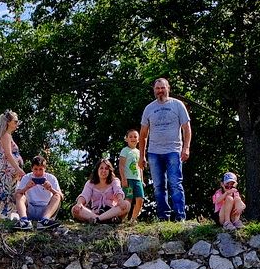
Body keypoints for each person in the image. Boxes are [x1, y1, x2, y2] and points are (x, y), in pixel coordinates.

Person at [138, 78, 192, 221]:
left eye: (162, 88)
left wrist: (186, 148)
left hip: (173, 150)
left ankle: (180, 217)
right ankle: (163, 217)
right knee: (158, 186)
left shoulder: (177, 105)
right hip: (154, 152)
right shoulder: (149, 108)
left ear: (168, 88)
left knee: (175, 184)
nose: (160, 91)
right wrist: (141, 156)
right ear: (154, 90)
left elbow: (186, 128)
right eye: (157, 88)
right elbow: (143, 135)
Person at [0, 111, 24, 221]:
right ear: (8, 122)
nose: (17, 124)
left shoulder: (8, 136)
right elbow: (8, 154)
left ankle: (8, 217)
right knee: (3, 194)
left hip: (10, 173)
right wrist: (18, 169)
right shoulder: (6, 136)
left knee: (9, 195)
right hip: (5, 172)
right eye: (15, 121)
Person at [14, 155, 62, 230]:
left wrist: (51, 189)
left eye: (41, 169)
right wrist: (26, 188)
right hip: (30, 208)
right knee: (19, 195)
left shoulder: (51, 178)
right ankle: (24, 220)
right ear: (32, 168)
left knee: (57, 196)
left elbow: (61, 196)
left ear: (45, 169)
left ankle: (44, 220)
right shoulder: (26, 177)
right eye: (35, 169)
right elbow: (16, 194)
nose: (38, 172)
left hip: (46, 209)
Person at [73, 160, 127, 224]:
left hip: (111, 211)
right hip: (95, 212)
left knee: (127, 204)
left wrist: (120, 200)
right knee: (74, 209)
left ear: (109, 171)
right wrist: (79, 204)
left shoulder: (114, 181)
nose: (104, 170)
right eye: (101, 168)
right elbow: (85, 195)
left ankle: (98, 219)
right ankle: (100, 219)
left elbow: (118, 190)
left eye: (106, 168)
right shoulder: (90, 183)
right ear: (97, 170)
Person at [119, 129, 147, 224]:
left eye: (135, 137)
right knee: (128, 199)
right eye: (130, 136)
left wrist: (142, 180)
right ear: (126, 139)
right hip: (128, 179)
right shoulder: (125, 151)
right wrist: (123, 179)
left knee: (140, 199)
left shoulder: (139, 152)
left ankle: (133, 219)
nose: (133, 138)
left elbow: (140, 168)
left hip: (137, 180)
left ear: (138, 139)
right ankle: (122, 219)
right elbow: (121, 165)